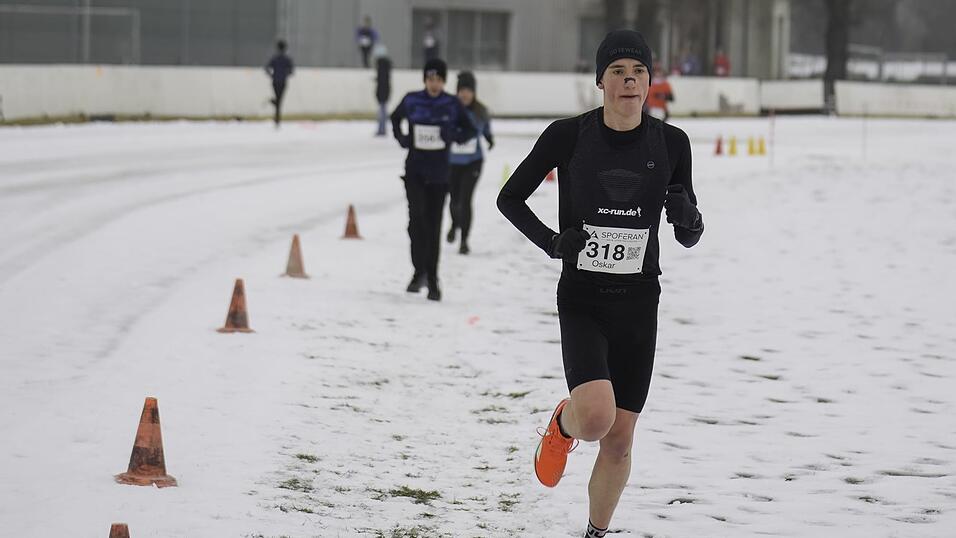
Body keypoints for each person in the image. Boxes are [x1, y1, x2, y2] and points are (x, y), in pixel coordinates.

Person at [497, 30, 704, 537]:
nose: (629, 81)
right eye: (618, 71)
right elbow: (510, 198)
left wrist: (686, 217)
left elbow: (691, 233)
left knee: (620, 440)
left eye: (638, 72)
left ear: (650, 83)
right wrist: (551, 241)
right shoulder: (568, 136)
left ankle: (595, 532)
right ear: (600, 81)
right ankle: (563, 424)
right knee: (594, 420)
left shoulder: (672, 144)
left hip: (639, 304)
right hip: (584, 299)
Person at [390, 58, 477, 301]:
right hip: (415, 172)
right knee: (416, 222)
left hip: (439, 176)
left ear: (444, 81)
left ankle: (433, 278)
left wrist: (454, 136)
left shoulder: (451, 104)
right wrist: (403, 138)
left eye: (438, 79)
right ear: (425, 79)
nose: (434, 84)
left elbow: (470, 129)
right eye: (430, 79)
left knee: (433, 226)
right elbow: (394, 118)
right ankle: (419, 271)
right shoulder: (412, 100)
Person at [446, 71, 494, 255]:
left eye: (468, 91)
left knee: (465, 200)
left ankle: (464, 240)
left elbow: (486, 129)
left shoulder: (480, 111)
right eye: (461, 91)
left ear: (474, 92)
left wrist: (490, 139)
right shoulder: (450, 109)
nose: (464, 94)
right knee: (454, 199)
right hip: (451, 163)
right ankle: (454, 224)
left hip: (473, 162)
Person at [265, 40, 294, 127]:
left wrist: (272, 75)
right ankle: (277, 120)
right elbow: (291, 71)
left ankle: (276, 118)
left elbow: (267, 68)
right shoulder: (287, 59)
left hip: (275, 81)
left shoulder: (274, 58)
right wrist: (285, 74)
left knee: (278, 100)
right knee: (280, 100)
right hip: (283, 82)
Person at [373, 44, 391, 137]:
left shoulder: (381, 65)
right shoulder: (385, 65)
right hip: (385, 91)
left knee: (382, 111)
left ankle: (382, 129)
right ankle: (382, 129)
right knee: (383, 111)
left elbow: (382, 80)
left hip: (382, 92)